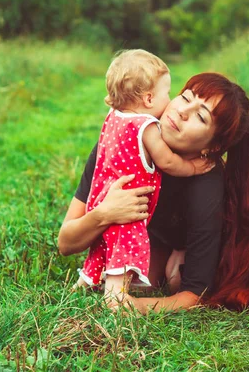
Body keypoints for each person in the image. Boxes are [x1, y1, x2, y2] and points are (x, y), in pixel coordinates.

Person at [58, 72, 249, 315]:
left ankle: (180, 248)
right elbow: (66, 243)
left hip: (183, 239)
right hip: (152, 235)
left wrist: (136, 307)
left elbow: (193, 293)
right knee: (145, 277)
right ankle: (167, 249)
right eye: (186, 97)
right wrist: (104, 214)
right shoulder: (123, 141)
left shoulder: (206, 186)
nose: (182, 112)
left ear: (213, 147)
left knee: (175, 277)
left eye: (200, 116)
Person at [74, 50, 213, 305]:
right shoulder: (147, 127)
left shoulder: (114, 118)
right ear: (149, 98)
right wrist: (192, 167)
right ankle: (115, 297)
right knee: (125, 246)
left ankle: (85, 280)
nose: (172, 103)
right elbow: (167, 161)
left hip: (104, 195)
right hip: (129, 203)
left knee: (103, 246)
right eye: (170, 94)